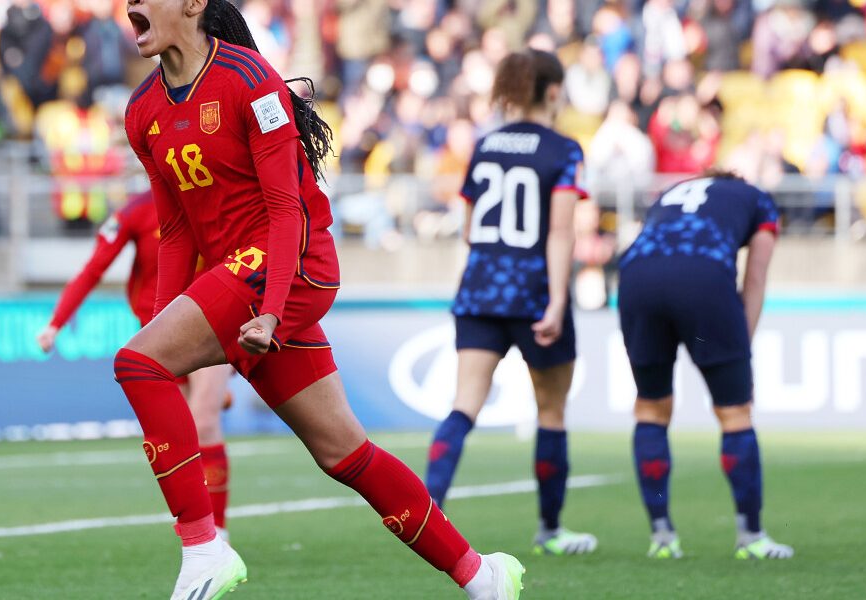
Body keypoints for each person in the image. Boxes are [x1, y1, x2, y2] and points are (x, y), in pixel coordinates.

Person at [120, 2, 523, 599]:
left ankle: (205, 548)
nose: (130, 4)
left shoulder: (248, 80)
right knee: (345, 454)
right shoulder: (142, 112)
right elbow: (175, 230)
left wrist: (273, 309)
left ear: (192, 4)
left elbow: (286, 209)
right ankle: (481, 575)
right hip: (243, 284)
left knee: (136, 362)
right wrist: (162, 320)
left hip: (289, 268)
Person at [424, 49, 598, 557]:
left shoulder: (484, 145)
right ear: (550, 91)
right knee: (551, 412)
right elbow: (561, 231)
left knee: (463, 405)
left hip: (480, 287)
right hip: (534, 290)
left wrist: (474, 281)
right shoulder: (564, 149)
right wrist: (559, 300)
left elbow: (473, 225)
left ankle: (426, 516)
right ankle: (550, 530)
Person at [35, 191, 235, 539]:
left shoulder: (218, 198)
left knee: (203, 421)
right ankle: (200, 524)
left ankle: (216, 533)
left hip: (212, 323)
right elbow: (94, 267)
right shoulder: (136, 212)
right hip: (160, 335)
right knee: (181, 430)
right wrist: (56, 322)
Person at [617, 171, 793, 561]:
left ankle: (662, 537)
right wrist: (739, 353)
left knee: (650, 406)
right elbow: (756, 277)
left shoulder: (672, 191)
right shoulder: (758, 198)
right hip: (703, 275)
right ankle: (751, 537)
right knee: (734, 413)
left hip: (636, 275)